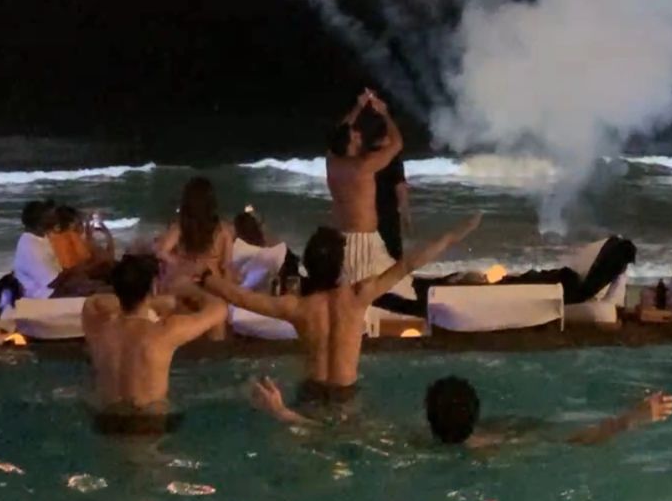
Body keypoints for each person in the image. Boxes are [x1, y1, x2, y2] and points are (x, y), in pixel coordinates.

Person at [204, 213, 482, 404]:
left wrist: (204, 278)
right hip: (346, 396)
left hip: (310, 395)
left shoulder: (297, 307)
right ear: (340, 266)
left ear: (309, 267)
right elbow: (408, 264)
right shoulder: (358, 296)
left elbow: (239, 297)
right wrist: (451, 237)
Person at [249, 372, 672, 449]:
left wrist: (284, 413)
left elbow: (335, 434)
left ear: (427, 416)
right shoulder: (506, 439)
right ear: (477, 412)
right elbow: (581, 436)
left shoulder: (404, 441)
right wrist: (633, 417)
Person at [82, 253, 227, 435]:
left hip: (106, 420)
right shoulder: (165, 333)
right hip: (149, 422)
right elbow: (219, 309)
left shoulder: (98, 328)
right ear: (153, 288)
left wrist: (150, 300)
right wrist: (188, 290)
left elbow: (94, 301)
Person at [326, 89, 404, 283]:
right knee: (367, 292)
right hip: (360, 242)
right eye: (355, 135)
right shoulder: (364, 166)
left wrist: (358, 107)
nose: (359, 134)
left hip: (347, 237)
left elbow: (341, 131)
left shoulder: (331, 161)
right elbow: (397, 144)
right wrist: (385, 113)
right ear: (350, 143)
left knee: (398, 281)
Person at [157, 177, 233, 294]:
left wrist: (179, 263)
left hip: (186, 285)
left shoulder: (181, 227)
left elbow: (161, 252)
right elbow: (227, 267)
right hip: (212, 287)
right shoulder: (223, 231)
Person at [357, 101, 410, 263]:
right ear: (386, 135)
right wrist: (406, 214)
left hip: (364, 217)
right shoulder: (392, 159)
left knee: (368, 260)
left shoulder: (362, 157)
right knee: (392, 258)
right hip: (387, 216)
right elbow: (400, 189)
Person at [12, 201, 61, 300]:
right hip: (43, 295)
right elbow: (52, 283)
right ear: (39, 223)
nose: (53, 221)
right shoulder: (30, 246)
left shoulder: (40, 237)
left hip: (52, 289)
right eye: (48, 218)